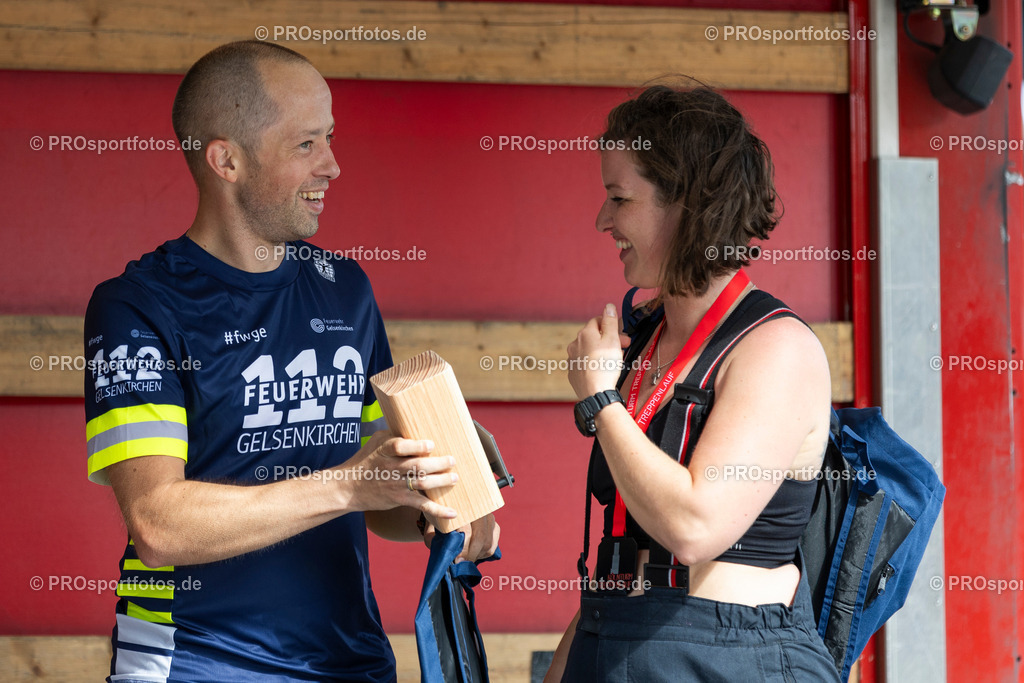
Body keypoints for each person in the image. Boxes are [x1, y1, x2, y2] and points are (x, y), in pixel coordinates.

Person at [83, 40, 497, 683]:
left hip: (349, 660)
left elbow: (374, 495)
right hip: (193, 663)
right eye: (306, 145)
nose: (332, 165)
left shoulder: (345, 287)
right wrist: (348, 483)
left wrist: (434, 497)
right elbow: (158, 525)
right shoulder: (136, 306)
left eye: (330, 137)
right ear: (227, 160)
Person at [545, 85, 841, 681]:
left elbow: (694, 528)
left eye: (619, 197)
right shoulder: (645, 338)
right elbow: (627, 538)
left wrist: (603, 401)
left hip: (727, 653)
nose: (603, 220)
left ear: (686, 203)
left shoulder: (776, 348)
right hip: (613, 634)